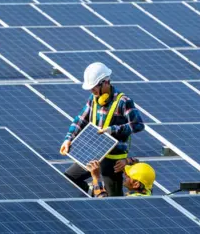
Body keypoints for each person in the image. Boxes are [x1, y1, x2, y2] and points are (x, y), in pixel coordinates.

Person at [60, 62, 145, 196]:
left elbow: (138, 124)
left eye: (94, 88)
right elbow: (80, 119)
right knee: (69, 178)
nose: (92, 91)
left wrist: (113, 130)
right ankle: (92, 193)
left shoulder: (123, 101)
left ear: (105, 82)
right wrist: (68, 139)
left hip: (113, 161)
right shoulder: (93, 99)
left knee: (112, 202)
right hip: (93, 154)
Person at [86, 160, 155, 197]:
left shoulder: (131, 200)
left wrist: (96, 177)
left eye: (128, 176)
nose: (125, 174)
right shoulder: (147, 191)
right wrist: (127, 161)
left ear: (136, 184)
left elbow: (103, 202)